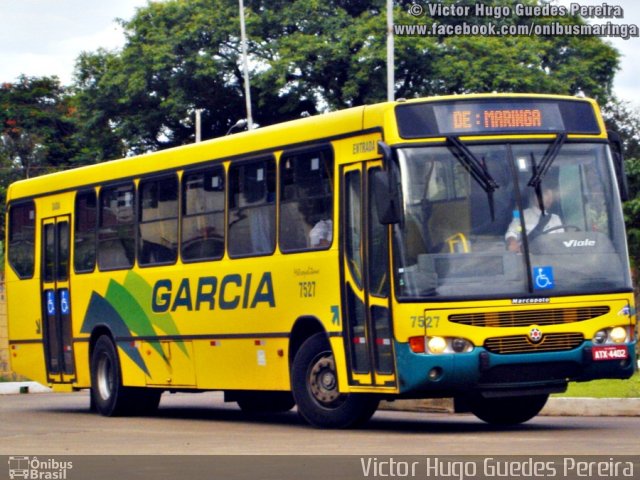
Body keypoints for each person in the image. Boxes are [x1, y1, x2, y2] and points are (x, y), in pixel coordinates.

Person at [505, 186, 563, 252]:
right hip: (528, 257)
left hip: (552, 256)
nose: (549, 198)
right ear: (535, 196)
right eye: (546, 194)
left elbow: (561, 239)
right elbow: (512, 232)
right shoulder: (522, 215)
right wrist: (512, 242)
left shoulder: (555, 218)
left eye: (552, 196)